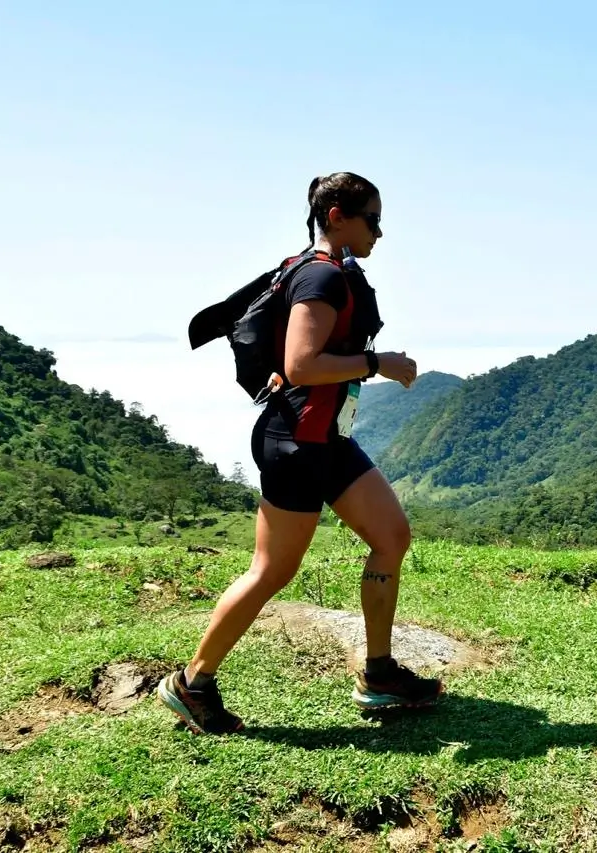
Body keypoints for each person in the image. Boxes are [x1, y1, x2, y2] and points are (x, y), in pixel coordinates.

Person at [157, 172, 443, 735]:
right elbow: (301, 366)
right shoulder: (319, 277)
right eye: (373, 220)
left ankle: (379, 673)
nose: (380, 233)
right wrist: (377, 362)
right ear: (337, 215)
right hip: (295, 444)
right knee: (272, 571)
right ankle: (192, 684)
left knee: (392, 538)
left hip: (328, 439)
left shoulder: (330, 272)